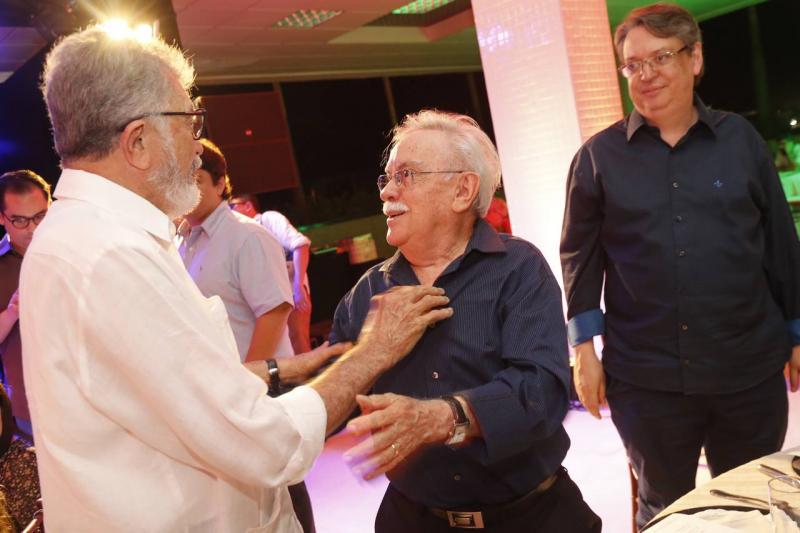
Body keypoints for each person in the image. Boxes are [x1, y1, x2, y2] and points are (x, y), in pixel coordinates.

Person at [22, 24, 452, 532]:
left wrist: (280, 372)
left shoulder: (88, 238)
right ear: (137, 142)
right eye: (189, 121)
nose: (197, 145)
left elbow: (167, 389)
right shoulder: (109, 256)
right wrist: (374, 351)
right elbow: (266, 444)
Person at [560, 4, 800, 528]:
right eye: (633, 64)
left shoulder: (741, 142)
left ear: (695, 59)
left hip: (747, 367)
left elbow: (780, 242)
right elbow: (580, 254)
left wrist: (796, 330)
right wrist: (584, 349)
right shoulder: (597, 158)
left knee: (750, 508)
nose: (645, 75)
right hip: (647, 379)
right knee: (663, 510)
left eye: (661, 58)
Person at [330, 110, 601, 533]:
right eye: (387, 178)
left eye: (406, 175)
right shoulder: (368, 292)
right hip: (413, 521)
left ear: (462, 190)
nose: (387, 191)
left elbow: (543, 391)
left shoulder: (519, 268)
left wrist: (444, 417)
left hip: (531, 518)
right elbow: (327, 396)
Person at [179, 139, 315, 532]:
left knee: (284, 489)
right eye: (181, 179)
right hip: (221, 390)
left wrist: (245, 382)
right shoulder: (183, 241)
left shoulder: (247, 235)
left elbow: (273, 313)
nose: (188, 189)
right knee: (247, 501)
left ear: (221, 182)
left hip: (260, 387)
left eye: (197, 179)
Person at [0, 170, 51, 439]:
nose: (32, 228)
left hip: (89, 394)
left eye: (40, 216)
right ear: (1, 217)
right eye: (20, 220)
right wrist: (11, 313)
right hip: (29, 408)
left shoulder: (73, 252)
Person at [231, 194, 313, 354]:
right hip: (271, 299)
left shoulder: (267, 219)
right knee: (284, 348)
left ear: (248, 206)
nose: (230, 212)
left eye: (233, 206)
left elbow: (300, 245)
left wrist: (298, 287)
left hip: (290, 291)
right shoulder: (242, 234)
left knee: (298, 341)